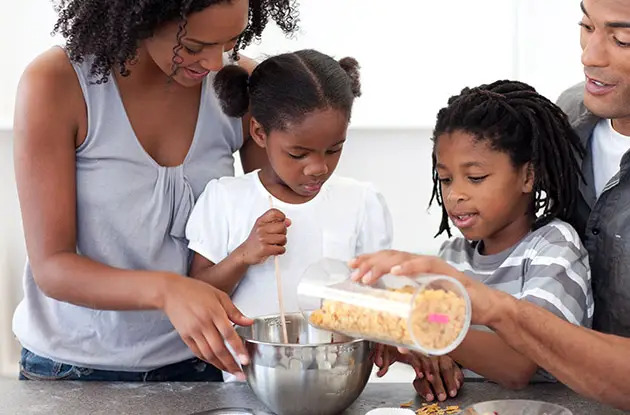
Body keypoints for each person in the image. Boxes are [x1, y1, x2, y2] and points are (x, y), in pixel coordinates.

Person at [12, 0, 298, 382]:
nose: (215, 63)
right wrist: (168, 290)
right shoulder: (57, 83)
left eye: (230, 42)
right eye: (194, 46)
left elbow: (282, 218)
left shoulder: (237, 84)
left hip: (207, 362)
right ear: (140, 16)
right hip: (73, 370)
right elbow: (53, 268)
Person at [371, 80, 593, 400]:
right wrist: (427, 360)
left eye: (475, 178)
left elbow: (518, 366)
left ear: (528, 176)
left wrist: (416, 323)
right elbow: (439, 327)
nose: (455, 194)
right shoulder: (453, 258)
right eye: (445, 179)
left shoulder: (554, 249)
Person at [185, 50, 393, 380]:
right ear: (259, 133)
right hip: (250, 383)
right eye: (298, 154)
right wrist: (244, 255)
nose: (318, 168)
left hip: (339, 379)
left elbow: (381, 295)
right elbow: (197, 292)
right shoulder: (225, 198)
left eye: (334, 149)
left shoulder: (361, 201)